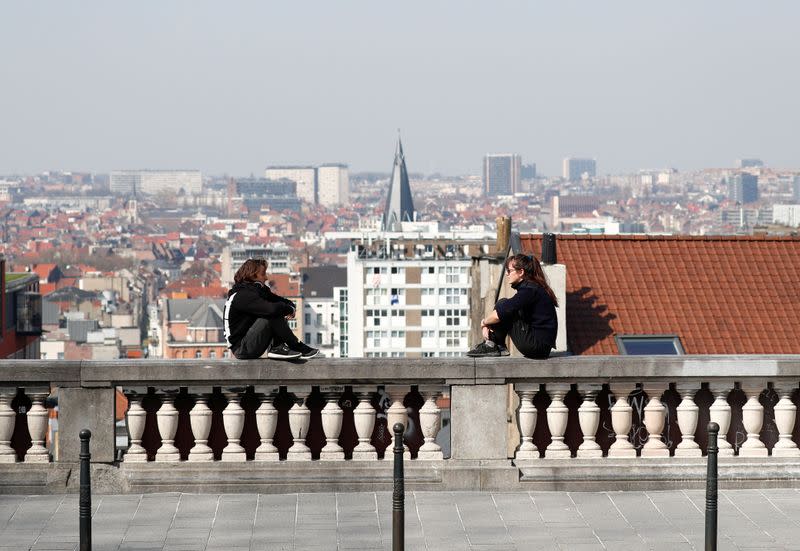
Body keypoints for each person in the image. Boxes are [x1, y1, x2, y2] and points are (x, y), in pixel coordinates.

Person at [223, 258, 319, 360]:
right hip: (242, 348)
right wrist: (288, 309)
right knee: (271, 312)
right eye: (263, 274)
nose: (266, 277)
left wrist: (291, 306)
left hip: (251, 342)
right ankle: (293, 346)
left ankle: (278, 347)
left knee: (275, 309)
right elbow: (272, 309)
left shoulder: (259, 290)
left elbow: (280, 300)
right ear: (253, 276)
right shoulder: (242, 295)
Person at [467, 253, 558, 359]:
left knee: (503, 305)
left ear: (521, 272)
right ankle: (497, 345)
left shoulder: (530, 291)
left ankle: (493, 345)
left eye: (509, 270)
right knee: (505, 306)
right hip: (541, 347)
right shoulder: (533, 288)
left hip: (536, 346)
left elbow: (501, 312)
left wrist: (484, 323)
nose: (507, 274)